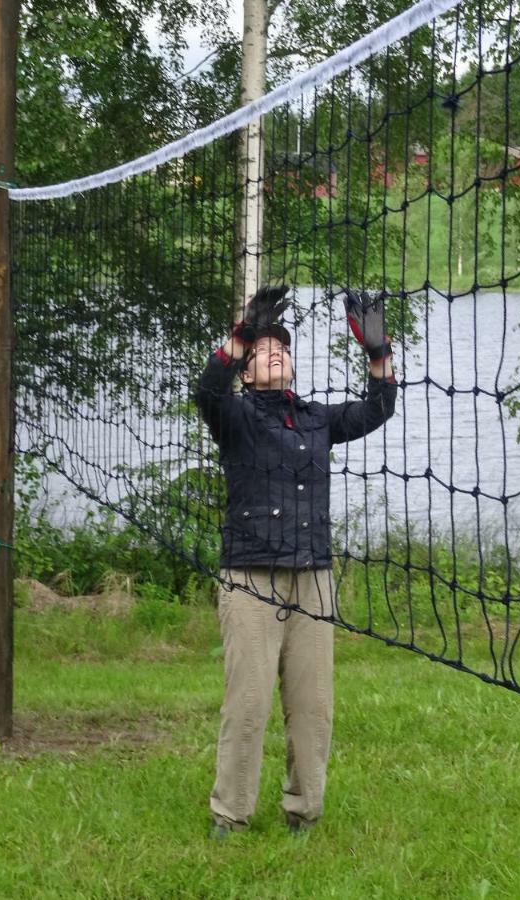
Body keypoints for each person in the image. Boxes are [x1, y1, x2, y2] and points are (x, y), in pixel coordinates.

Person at [193, 286, 397, 839]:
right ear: (247, 370)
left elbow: (378, 408)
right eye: (261, 349)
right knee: (250, 703)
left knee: (312, 706)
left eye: (280, 346)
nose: (273, 351)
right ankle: (230, 815)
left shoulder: (316, 419)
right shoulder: (233, 417)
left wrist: (379, 354)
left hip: (313, 578)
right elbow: (207, 389)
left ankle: (304, 812)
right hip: (250, 578)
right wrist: (240, 333)